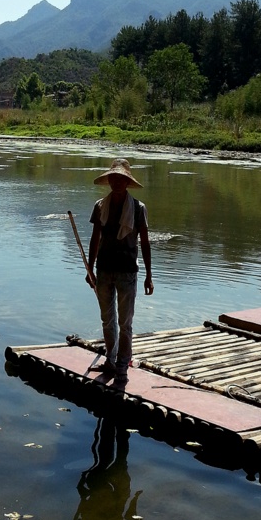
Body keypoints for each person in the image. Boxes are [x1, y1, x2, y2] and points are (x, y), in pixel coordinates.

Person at [87, 158, 153, 380]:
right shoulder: (100, 206)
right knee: (107, 319)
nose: (117, 182)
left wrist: (149, 276)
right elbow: (95, 239)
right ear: (109, 181)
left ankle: (123, 363)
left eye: (121, 179)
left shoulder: (138, 208)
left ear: (127, 182)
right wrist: (90, 268)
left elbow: (144, 242)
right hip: (104, 269)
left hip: (127, 272)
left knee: (125, 322)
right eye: (113, 178)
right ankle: (111, 359)